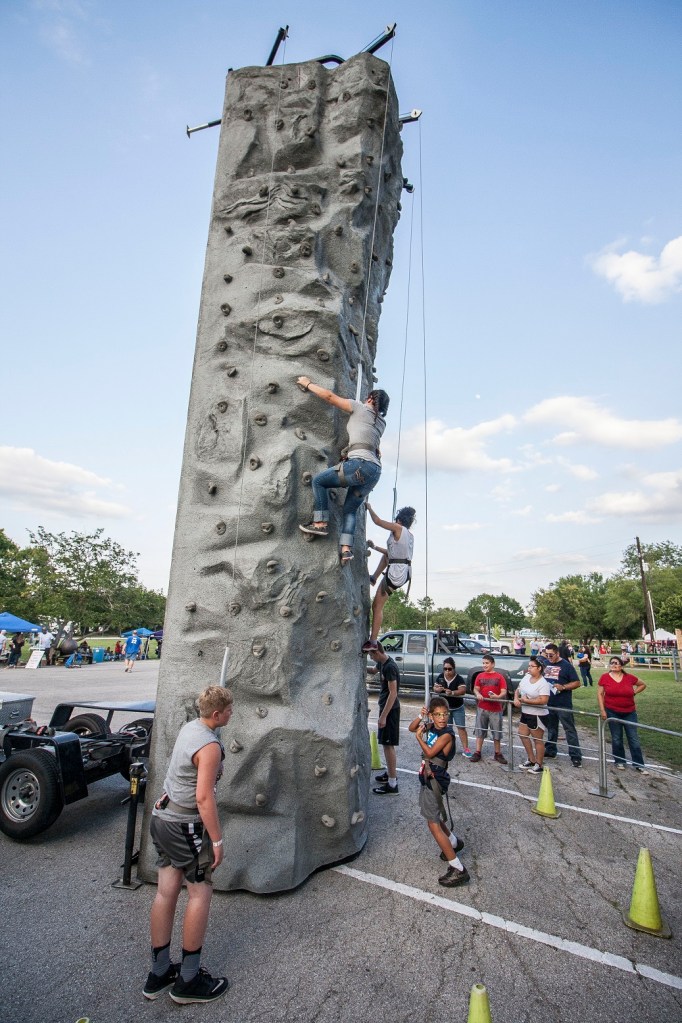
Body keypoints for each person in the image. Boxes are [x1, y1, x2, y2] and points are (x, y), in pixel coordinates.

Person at [145, 685, 232, 1005]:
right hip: (186, 827)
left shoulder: (191, 728)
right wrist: (217, 840)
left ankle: (159, 972)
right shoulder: (209, 747)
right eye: (229, 710)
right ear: (216, 714)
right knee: (199, 895)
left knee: (166, 891)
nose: (232, 714)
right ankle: (189, 980)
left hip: (163, 819)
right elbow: (204, 797)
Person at [297, 376, 389, 564]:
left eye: (367, 397)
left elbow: (330, 397)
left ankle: (320, 523)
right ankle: (346, 550)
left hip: (360, 464)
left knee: (319, 481)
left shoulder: (359, 407)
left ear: (371, 398)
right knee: (350, 510)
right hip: (374, 472)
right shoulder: (381, 423)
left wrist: (307, 384)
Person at [408, 696, 469, 888]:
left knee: (433, 824)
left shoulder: (446, 735)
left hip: (436, 778)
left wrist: (419, 737)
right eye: (438, 715)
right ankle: (453, 842)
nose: (442, 718)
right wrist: (421, 716)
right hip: (428, 776)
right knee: (433, 816)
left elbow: (430, 753)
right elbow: (411, 727)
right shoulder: (433, 727)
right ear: (432, 715)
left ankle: (457, 868)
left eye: (445, 714)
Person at [362, 503, 415, 652]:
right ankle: (374, 577)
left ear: (399, 520)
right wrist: (375, 547)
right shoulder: (408, 535)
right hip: (402, 570)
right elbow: (392, 553)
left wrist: (370, 508)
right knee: (386, 556)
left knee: (376, 606)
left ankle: (373, 641)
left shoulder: (398, 528)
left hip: (396, 573)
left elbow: (378, 521)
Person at [597, 656, 649, 775]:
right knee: (616, 737)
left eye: (616, 663)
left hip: (629, 712)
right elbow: (600, 694)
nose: (613, 665)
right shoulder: (604, 677)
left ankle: (638, 764)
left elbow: (642, 684)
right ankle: (619, 760)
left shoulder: (629, 677)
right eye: (612, 663)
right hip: (612, 711)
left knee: (633, 738)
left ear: (621, 665)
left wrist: (634, 692)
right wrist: (602, 710)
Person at [540, 643, 582, 767]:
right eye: (546, 655)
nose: (549, 657)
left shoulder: (566, 666)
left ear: (557, 653)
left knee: (569, 729)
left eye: (551, 655)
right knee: (551, 728)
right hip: (549, 702)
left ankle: (575, 756)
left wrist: (563, 687)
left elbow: (577, 682)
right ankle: (551, 750)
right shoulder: (546, 664)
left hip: (563, 703)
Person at [367, 642, 401, 794]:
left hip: (390, 710)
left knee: (388, 746)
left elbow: (393, 693)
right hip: (386, 708)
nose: (370, 657)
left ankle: (392, 784)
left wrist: (383, 716)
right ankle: (390, 773)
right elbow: (373, 670)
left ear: (377, 652)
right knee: (386, 744)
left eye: (371, 655)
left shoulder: (389, 667)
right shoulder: (381, 664)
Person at [513, 657, 552, 773]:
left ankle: (539, 764)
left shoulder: (543, 683)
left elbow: (543, 700)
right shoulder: (526, 677)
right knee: (523, 734)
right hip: (525, 712)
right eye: (528, 666)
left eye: (531, 666)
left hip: (537, 714)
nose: (529, 668)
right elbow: (518, 689)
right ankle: (531, 759)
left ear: (539, 668)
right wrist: (516, 699)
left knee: (537, 739)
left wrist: (526, 701)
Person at [470, 654, 508, 764]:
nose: (484, 665)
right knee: (480, 730)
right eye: (483, 663)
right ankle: (477, 752)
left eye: (487, 663)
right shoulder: (480, 676)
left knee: (496, 732)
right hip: (482, 708)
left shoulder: (499, 677)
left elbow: (504, 691)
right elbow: (475, 689)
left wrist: (497, 697)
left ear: (493, 664)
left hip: (496, 709)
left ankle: (498, 753)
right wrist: (477, 694)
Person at [433, 656, 473, 757]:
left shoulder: (458, 678)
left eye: (449, 669)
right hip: (445, 709)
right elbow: (435, 687)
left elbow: (463, 690)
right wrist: (437, 689)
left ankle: (466, 749)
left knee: (461, 728)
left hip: (457, 707)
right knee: (445, 729)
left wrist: (452, 692)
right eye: (445, 669)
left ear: (454, 668)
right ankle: (446, 748)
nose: (447, 671)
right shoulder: (440, 677)